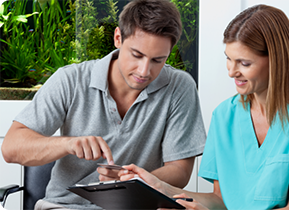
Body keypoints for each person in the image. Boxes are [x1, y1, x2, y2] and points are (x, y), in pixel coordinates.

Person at [117, 4, 289, 210]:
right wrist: (159, 187)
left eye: (244, 63)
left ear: (276, 60)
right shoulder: (225, 115)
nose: (231, 71)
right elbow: (220, 201)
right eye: (229, 58)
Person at [1, 0, 206, 209]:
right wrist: (68, 144)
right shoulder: (70, 79)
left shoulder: (180, 87)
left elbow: (180, 170)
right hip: (65, 207)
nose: (145, 71)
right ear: (118, 38)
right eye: (137, 55)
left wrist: (137, 181)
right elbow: (11, 148)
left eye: (158, 60)